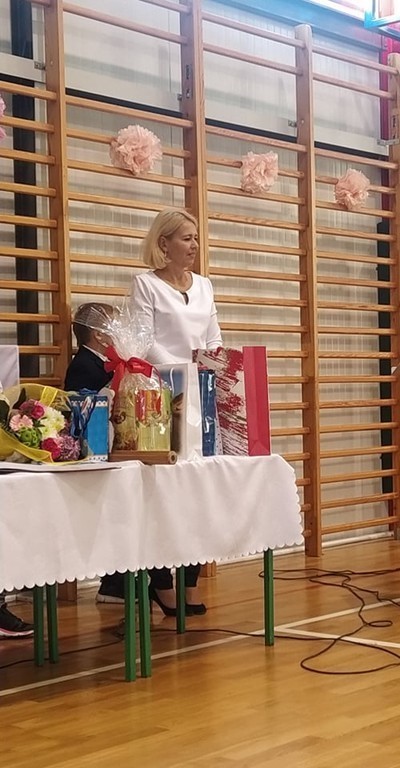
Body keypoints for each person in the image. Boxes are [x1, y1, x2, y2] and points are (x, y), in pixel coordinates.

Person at [130, 207, 223, 617]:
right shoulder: (145, 284)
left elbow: (214, 337)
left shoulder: (204, 285)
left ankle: (190, 580)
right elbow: (143, 342)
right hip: (161, 398)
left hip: (202, 395)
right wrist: (182, 371)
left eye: (196, 237)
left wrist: (212, 364)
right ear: (163, 243)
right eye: (186, 238)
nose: (194, 245)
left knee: (198, 491)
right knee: (164, 494)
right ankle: (160, 582)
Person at [65, 302, 125, 604]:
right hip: (94, 450)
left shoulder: (108, 362)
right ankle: (112, 583)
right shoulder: (84, 366)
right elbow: (82, 409)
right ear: (99, 334)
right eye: (115, 326)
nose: (120, 333)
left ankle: (118, 580)